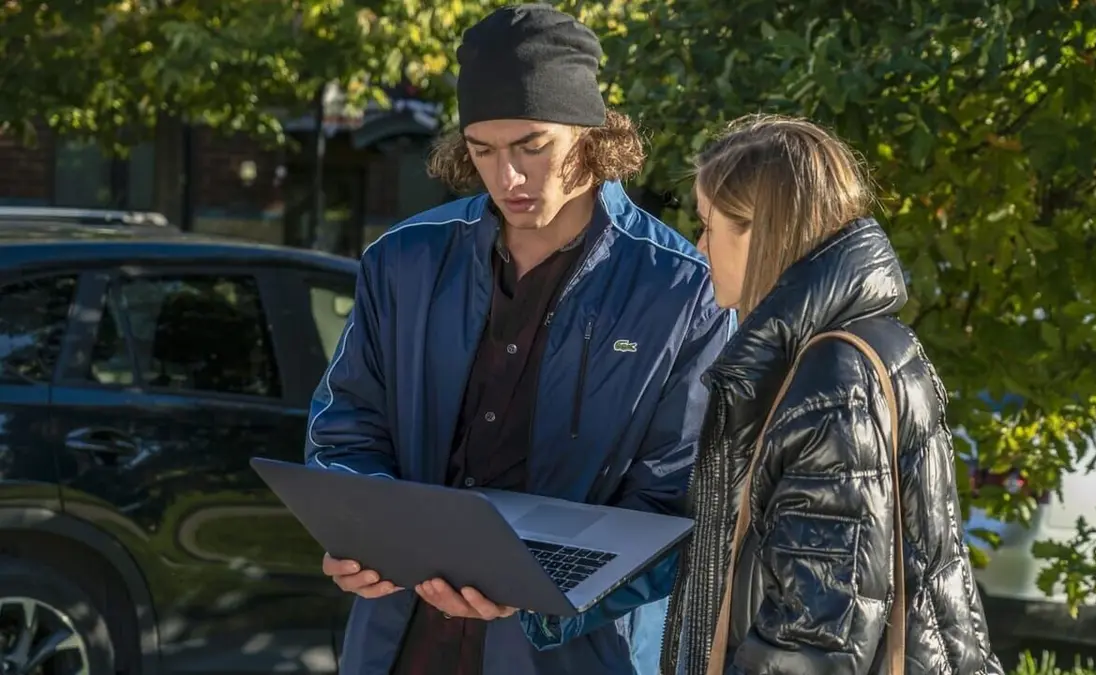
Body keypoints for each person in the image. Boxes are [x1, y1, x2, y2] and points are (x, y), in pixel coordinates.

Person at [304, 5, 734, 675]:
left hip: (579, 656)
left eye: (532, 146)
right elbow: (346, 428)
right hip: (402, 645)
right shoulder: (403, 261)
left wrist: (538, 594)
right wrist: (359, 536)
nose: (507, 178)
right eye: (483, 150)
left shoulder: (683, 290)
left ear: (592, 135)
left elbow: (685, 509)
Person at [659, 114, 1004, 675]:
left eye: (709, 226)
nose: (700, 247)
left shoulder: (833, 377)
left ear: (760, 232)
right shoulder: (860, 344)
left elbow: (818, 634)